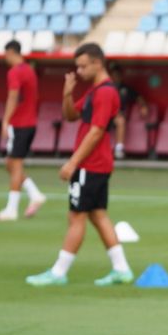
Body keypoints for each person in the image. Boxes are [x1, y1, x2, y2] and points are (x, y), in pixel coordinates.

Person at [25, 43, 134, 287]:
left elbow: (96, 132)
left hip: (90, 164)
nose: (80, 71)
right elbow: (71, 115)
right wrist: (67, 93)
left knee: (76, 217)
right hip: (97, 164)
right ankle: (122, 269)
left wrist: (73, 162)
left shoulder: (105, 93)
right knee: (98, 215)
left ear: (98, 63)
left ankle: (59, 272)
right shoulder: (95, 91)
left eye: (83, 66)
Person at [0, 39, 46, 221]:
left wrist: (5, 121)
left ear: (11, 53)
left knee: (15, 165)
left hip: (20, 124)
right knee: (10, 163)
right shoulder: (29, 70)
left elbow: (13, 97)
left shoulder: (15, 72)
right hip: (29, 123)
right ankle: (35, 194)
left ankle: (11, 210)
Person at [108, 62, 148, 161]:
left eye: (118, 74)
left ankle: (119, 149)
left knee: (121, 121)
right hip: (105, 115)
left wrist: (143, 106)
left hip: (118, 116)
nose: (116, 77)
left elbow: (139, 98)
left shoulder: (125, 88)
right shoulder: (106, 87)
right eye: (114, 74)